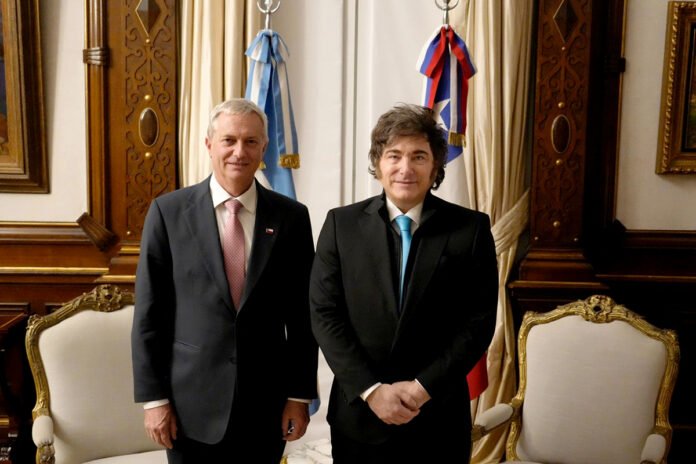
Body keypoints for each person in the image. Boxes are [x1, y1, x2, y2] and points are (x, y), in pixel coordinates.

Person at [132, 98, 318, 463]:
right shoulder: (168, 213)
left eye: (251, 141)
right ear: (209, 144)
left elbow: (302, 317)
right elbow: (150, 316)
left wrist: (298, 396)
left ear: (264, 148)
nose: (239, 151)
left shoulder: (292, 217)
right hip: (188, 410)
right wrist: (154, 400)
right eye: (229, 140)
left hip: (265, 408)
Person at [309, 103, 498, 463]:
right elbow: (324, 314)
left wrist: (422, 388)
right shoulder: (340, 226)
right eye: (394, 155)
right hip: (360, 418)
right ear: (378, 163)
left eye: (418, 156)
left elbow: (478, 322)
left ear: (436, 166)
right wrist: (372, 390)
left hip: (438, 417)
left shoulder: (470, 229)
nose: (405, 168)